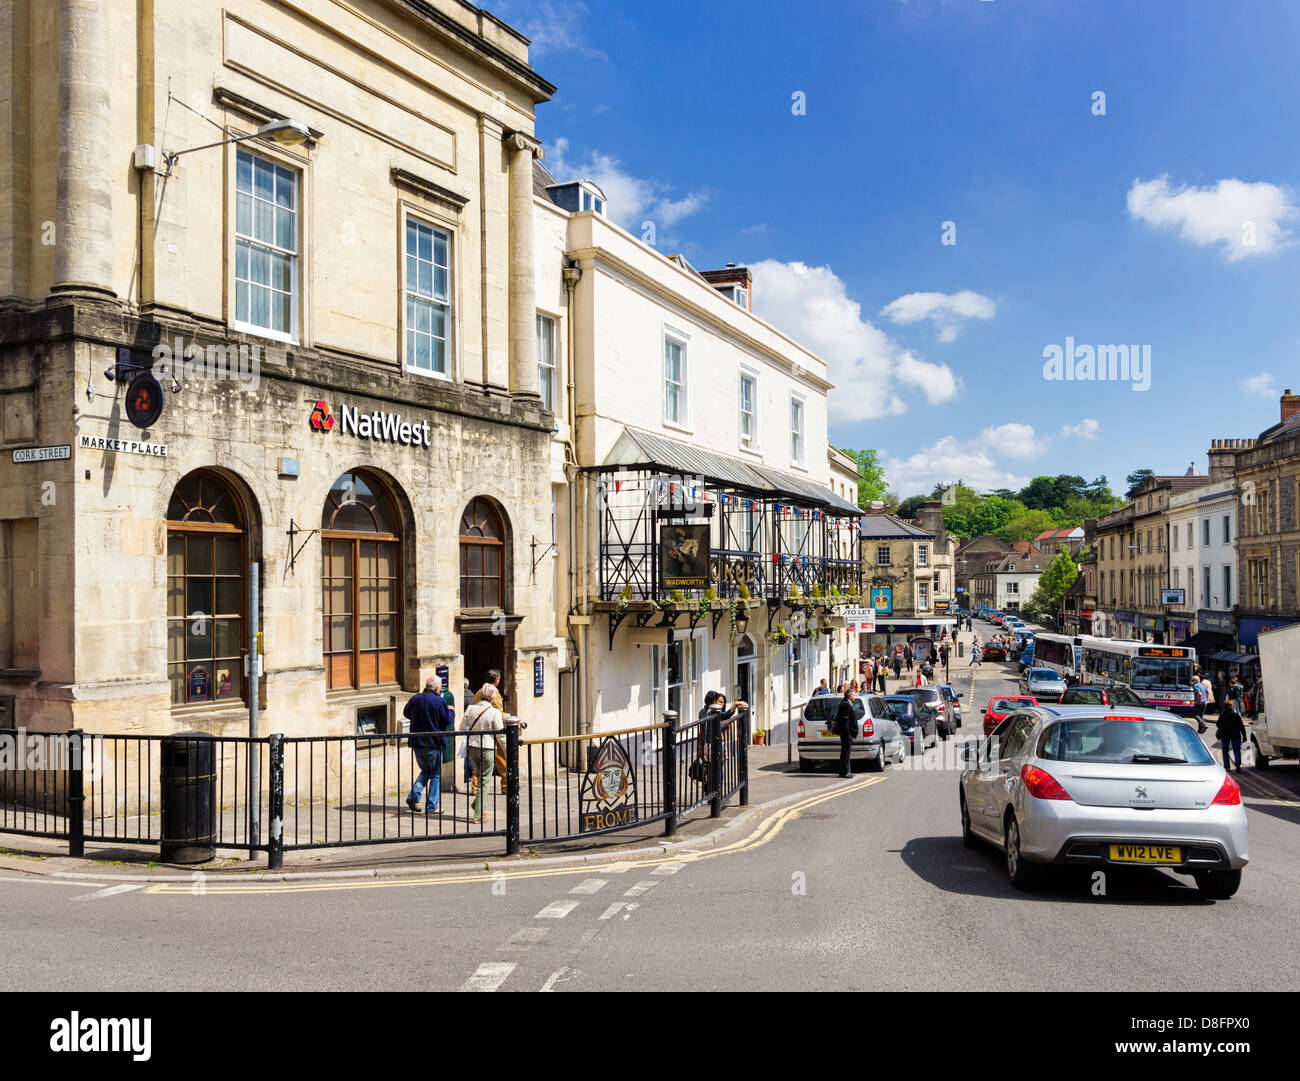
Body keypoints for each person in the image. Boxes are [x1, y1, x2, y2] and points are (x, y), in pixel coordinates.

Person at [404, 676, 453, 814]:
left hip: (417, 742)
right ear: (437, 688)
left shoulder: (415, 698)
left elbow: (406, 713)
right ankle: (432, 806)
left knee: (426, 770)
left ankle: (414, 796)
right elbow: (447, 720)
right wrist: (451, 711)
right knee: (435, 774)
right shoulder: (439, 701)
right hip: (433, 743)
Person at [461, 683, 505, 823]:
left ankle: (477, 805)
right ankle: (478, 815)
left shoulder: (470, 709)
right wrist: (507, 750)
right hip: (487, 748)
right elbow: (500, 735)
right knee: (485, 781)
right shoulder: (495, 712)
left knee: (479, 778)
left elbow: (462, 727)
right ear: (492, 697)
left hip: (472, 747)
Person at [1216, 698, 1246, 773]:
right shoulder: (1235, 715)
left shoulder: (1222, 715)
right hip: (1235, 734)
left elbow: (1218, 724)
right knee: (1236, 750)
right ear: (1232, 706)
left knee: (1225, 751)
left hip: (1225, 735)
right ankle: (1238, 765)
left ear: (1224, 706)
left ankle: (1227, 767)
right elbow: (1241, 726)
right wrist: (1244, 736)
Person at [834, 686, 858, 777]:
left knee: (846, 752)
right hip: (846, 734)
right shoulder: (845, 704)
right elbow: (845, 722)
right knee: (845, 752)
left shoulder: (847, 703)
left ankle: (846, 771)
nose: (855, 696)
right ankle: (844, 772)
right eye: (854, 694)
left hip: (846, 733)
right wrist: (849, 732)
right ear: (850, 696)